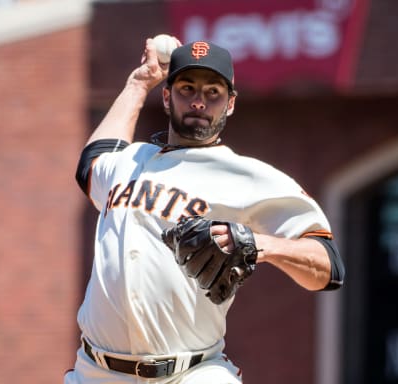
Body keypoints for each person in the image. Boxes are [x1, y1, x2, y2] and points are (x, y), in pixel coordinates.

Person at [64, 37, 345, 383]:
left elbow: (329, 265)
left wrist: (260, 244)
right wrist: (138, 84)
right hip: (96, 373)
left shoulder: (248, 176)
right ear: (166, 97)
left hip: (192, 372)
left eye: (213, 92)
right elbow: (92, 163)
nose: (199, 101)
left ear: (230, 104)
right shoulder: (129, 161)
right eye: (186, 88)